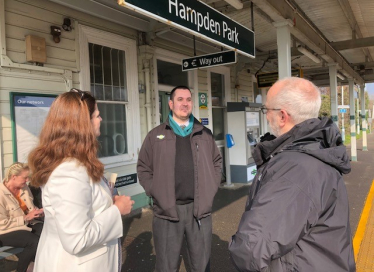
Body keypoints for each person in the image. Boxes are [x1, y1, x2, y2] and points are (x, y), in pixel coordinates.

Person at [229, 77, 355, 272]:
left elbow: (251, 248)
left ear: (282, 116)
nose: (265, 116)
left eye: (266, 110)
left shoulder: (294, 169)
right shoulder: (317, 151)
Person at [28, 89, 134, 272]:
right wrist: (117, 210)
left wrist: (109, 202)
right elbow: (77, 240)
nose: (101, 120)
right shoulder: (68, 172)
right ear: (82, 124)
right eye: (97, 116)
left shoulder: (74, 164)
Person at [137, 86, 222, 272]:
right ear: (171, 103)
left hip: (199, 210)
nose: (185, 104)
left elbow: (217, 162)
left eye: (188, 100)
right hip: (167, 211)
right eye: (180, 99)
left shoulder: (204, 134)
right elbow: (143, 167)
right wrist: (155, 191)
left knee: (200, 265)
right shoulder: (155, 135)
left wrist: (211, 188)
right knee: (167, 265)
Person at [0, 162, 44, 272]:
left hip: (26, 224)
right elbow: (2, 223)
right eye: (25, 178)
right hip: (6, 230)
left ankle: (39, 266)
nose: (27, 180)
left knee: (47, 233)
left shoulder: (24, 188)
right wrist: (25, 218)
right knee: (34, 241)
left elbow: (30, 208)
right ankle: (22, 269)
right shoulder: (1, 194)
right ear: (14, 177)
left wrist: (37, 212)